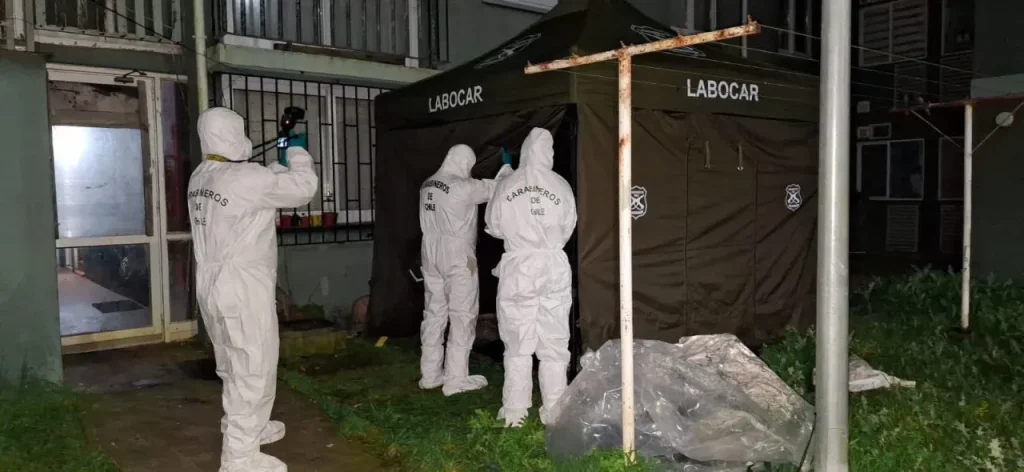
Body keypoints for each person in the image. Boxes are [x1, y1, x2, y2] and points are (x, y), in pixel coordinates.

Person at [189, 107, 318, 472]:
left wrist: (271, 171)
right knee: (253, 366)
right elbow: (303, 189)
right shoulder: (244, 178)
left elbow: (253, 187)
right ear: (233, 133)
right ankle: (239, 458)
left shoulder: (202, 175)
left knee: (233, 362)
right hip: (242, 285)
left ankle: (249, 428)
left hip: (213, 283)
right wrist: (296, 152)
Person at [484, 128, 577, 428]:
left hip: (519, 268)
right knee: (554, 342)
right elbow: (567, 228)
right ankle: (555, 411)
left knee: (517, 343)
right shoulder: (561, 185)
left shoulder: (507, 183)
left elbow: (494, 226)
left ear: (524, 151)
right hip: (552, 265)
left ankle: (515, 412)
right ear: (548, 153)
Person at [419, 144, 512, 396]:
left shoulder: (428, 183)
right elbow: (497, 188)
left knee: (434, 312)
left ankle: (430, 374)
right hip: (457, 254)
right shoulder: (463, 187)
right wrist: (506, 167)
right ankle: (456, 379)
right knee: (462, 315)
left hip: (430, 251)